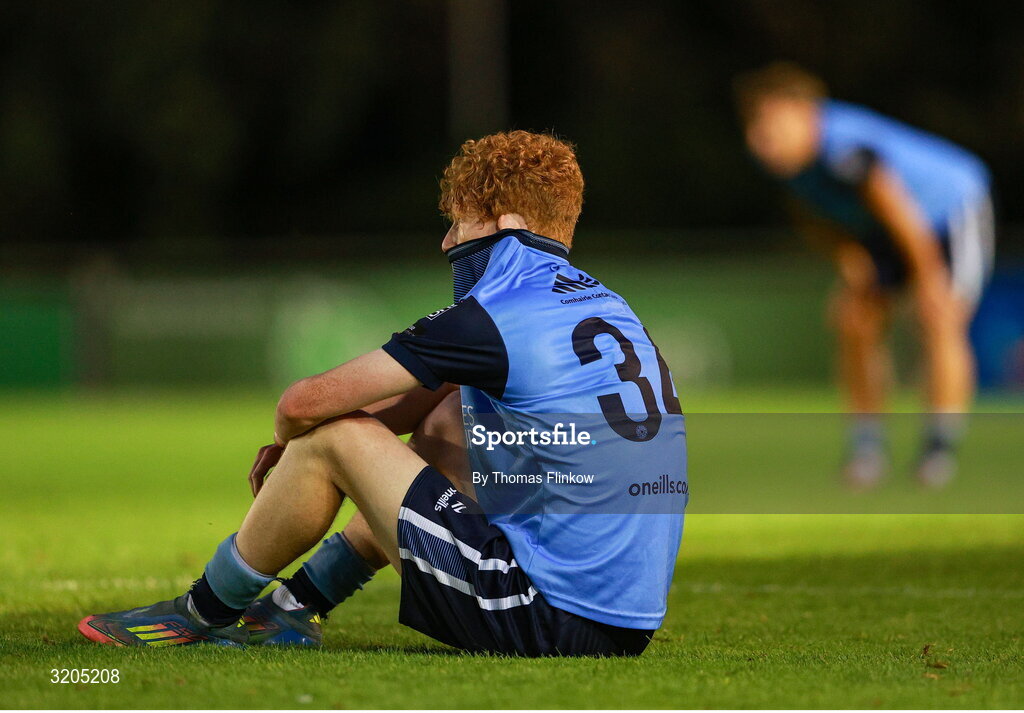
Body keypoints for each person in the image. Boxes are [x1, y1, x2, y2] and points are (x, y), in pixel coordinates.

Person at [77, 130, 687, 656]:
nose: (448, 241)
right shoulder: (604, 303)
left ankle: (199, 614)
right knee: (453, 416)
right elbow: (442, 392)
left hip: (543, 616)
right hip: (619, 623)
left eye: (459, 220)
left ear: (503, 225)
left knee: (335, 434)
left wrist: (298, 445)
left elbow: (301, 402)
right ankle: (293, 606)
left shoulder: (498, 315)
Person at [734, 62, 995, 489]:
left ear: (806, 111)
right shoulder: (784, 160)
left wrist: (928, 278)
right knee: (854, 320)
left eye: (769, 121)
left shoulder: (843, 145)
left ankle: (938, 451)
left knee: (940, 318)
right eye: (753, 123)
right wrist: (850, 259)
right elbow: (814, 213)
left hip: (949, 210)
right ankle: (868, 450)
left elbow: (895, 207)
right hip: (884, 230)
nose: (759, 136)